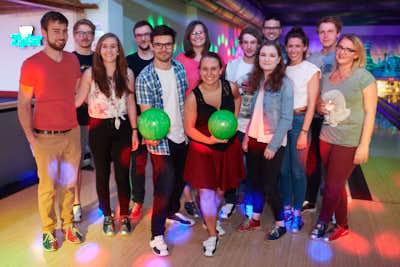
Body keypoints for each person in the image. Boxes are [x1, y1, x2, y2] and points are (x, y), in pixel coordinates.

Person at [17, 11, 83, 251]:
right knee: (47, 188)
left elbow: (75, 93)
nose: (62, 36)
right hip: (44, 137)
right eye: (56, 31)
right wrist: (31, 139)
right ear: (44, 33)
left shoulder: (73, 61)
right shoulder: (32, 64)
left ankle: (67, 225)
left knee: (69, 184)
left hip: (72, 133)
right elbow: (23, 103)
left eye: (65, 31)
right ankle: (48, 230)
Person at [310, 34, 377, 241]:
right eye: (340, 47)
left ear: (356, 55)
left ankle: (323, 221)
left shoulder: (364, 77)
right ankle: (342, 224)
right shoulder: (328, 76)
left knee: (331, 185)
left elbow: (370, 113)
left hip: (348, 140)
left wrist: (364, 145)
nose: (342, 52)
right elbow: (323, 104)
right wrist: (321, 107)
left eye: (348, 50)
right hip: (326, 136)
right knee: (334, 184)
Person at [135, 25, 195, 256]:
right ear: (151, 45)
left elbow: (185, 101)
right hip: (160, 140)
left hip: (182, 135)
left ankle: (171, 211)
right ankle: (156, 234)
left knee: (181, 180)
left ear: (173, 46)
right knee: (164, 185)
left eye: (167, 44)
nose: (163, 48)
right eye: (158, 44)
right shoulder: (144, 77)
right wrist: (149, 135)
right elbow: (147, 113)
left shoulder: (179, 68)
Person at [75, 33, 139, 236]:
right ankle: (108, 216)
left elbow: (130, 103)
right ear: (99, 50)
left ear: (119, 50)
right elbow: (78, 101)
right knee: (101, 174)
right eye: (105, 46)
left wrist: (135, 131)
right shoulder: (91, 74)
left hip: (123, 129)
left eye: (113, 46)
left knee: (122, 174)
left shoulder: (127, 73)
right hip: (98, 128)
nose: (109, 50)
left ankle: (125, 215)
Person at [184, 52, 244, 256]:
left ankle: (212, 219)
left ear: (221, 70)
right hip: (204, 150)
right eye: (205, 69)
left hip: (227, 149)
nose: (209, 73)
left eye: (214, 69)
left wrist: (232, 123)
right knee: (206, 193)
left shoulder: (231, 88)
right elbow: (189, 129)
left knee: (219, 191)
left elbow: (238, 99)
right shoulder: (194, 97)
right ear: (199, 71)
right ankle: (211, 235)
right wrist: (209, 140)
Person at [237, 41, 293, 241]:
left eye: (271, 55)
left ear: (279, 60)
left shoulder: (285, 83)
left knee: (270, 185)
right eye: (263, 55)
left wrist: (273, 145)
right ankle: (256, 218)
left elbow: (287, 118)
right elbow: (255, 112)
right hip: (253, 139)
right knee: (254, 183)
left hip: (272, 141)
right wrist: (246, 136)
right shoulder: (259, 79)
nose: (266, 59)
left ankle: (280, 224)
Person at [279, 27, 320, 232]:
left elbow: (312, 104)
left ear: (305, 47)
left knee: (297, 171)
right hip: (282, 122)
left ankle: (297, 214)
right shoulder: (282, 68)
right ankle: (286, 208)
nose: (293, 49)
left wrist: (304, 131)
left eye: (298, 46)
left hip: (299, 121)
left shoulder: (311, 70)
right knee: (284, 171)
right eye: (290, 46)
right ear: (285, 47)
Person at [220, 26, 262, 219]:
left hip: (257, 125)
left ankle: (249, 202)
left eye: (253, 42)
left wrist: (257, 87)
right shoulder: (232, 65)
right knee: (233, 164)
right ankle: (230, 201)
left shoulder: (264, 65)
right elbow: (226, 94)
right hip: (236, 122)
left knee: (253, 166)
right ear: (241, 44)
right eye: (246, 42)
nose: (249, 46)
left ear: (258, 44)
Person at [303, 16, 343, 212]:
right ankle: (310, 199)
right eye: (322, 31)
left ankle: (334, 204)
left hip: (338, 119)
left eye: (330, 31)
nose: (325, 35)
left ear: (338, 34)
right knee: (314, 159)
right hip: (316, 117)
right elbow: (308, 86)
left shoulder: (344, 57)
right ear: (318, 34)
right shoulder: (312, 59)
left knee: (334, 163)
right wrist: (317, 103)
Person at [177, 20, 212, 218]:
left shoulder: (214, 58)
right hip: (186, 114)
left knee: (203, 159)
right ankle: (188, 197)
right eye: (194, 33)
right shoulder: (181, 59)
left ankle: (202, 195)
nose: (198, 36)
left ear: (206, 35)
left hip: (208, 116)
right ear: (189, 37)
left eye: (201, 32)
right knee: (186, 158)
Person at [126, 20, 154, 222]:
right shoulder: (128, 62)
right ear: (135, 38)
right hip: (137, 122)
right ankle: (137, 202)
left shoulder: (162, 59)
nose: (143, 38)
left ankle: (166, 204)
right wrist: (135, 128)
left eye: (147, 34)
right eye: (139, 35)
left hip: (161, 123)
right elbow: (128, 95)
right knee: (137, 167)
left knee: (164, 168)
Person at [72, 18, 96, 223]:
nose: (85, 36)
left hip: (99, 119)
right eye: (81, 32)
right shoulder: (68, 60)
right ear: (74, 35)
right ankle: (76, 204)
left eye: (88, 32)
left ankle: (106, 204)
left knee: (104, 165)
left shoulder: (100, 59)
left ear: (93, 36)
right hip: (75, 121)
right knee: (76, 165)